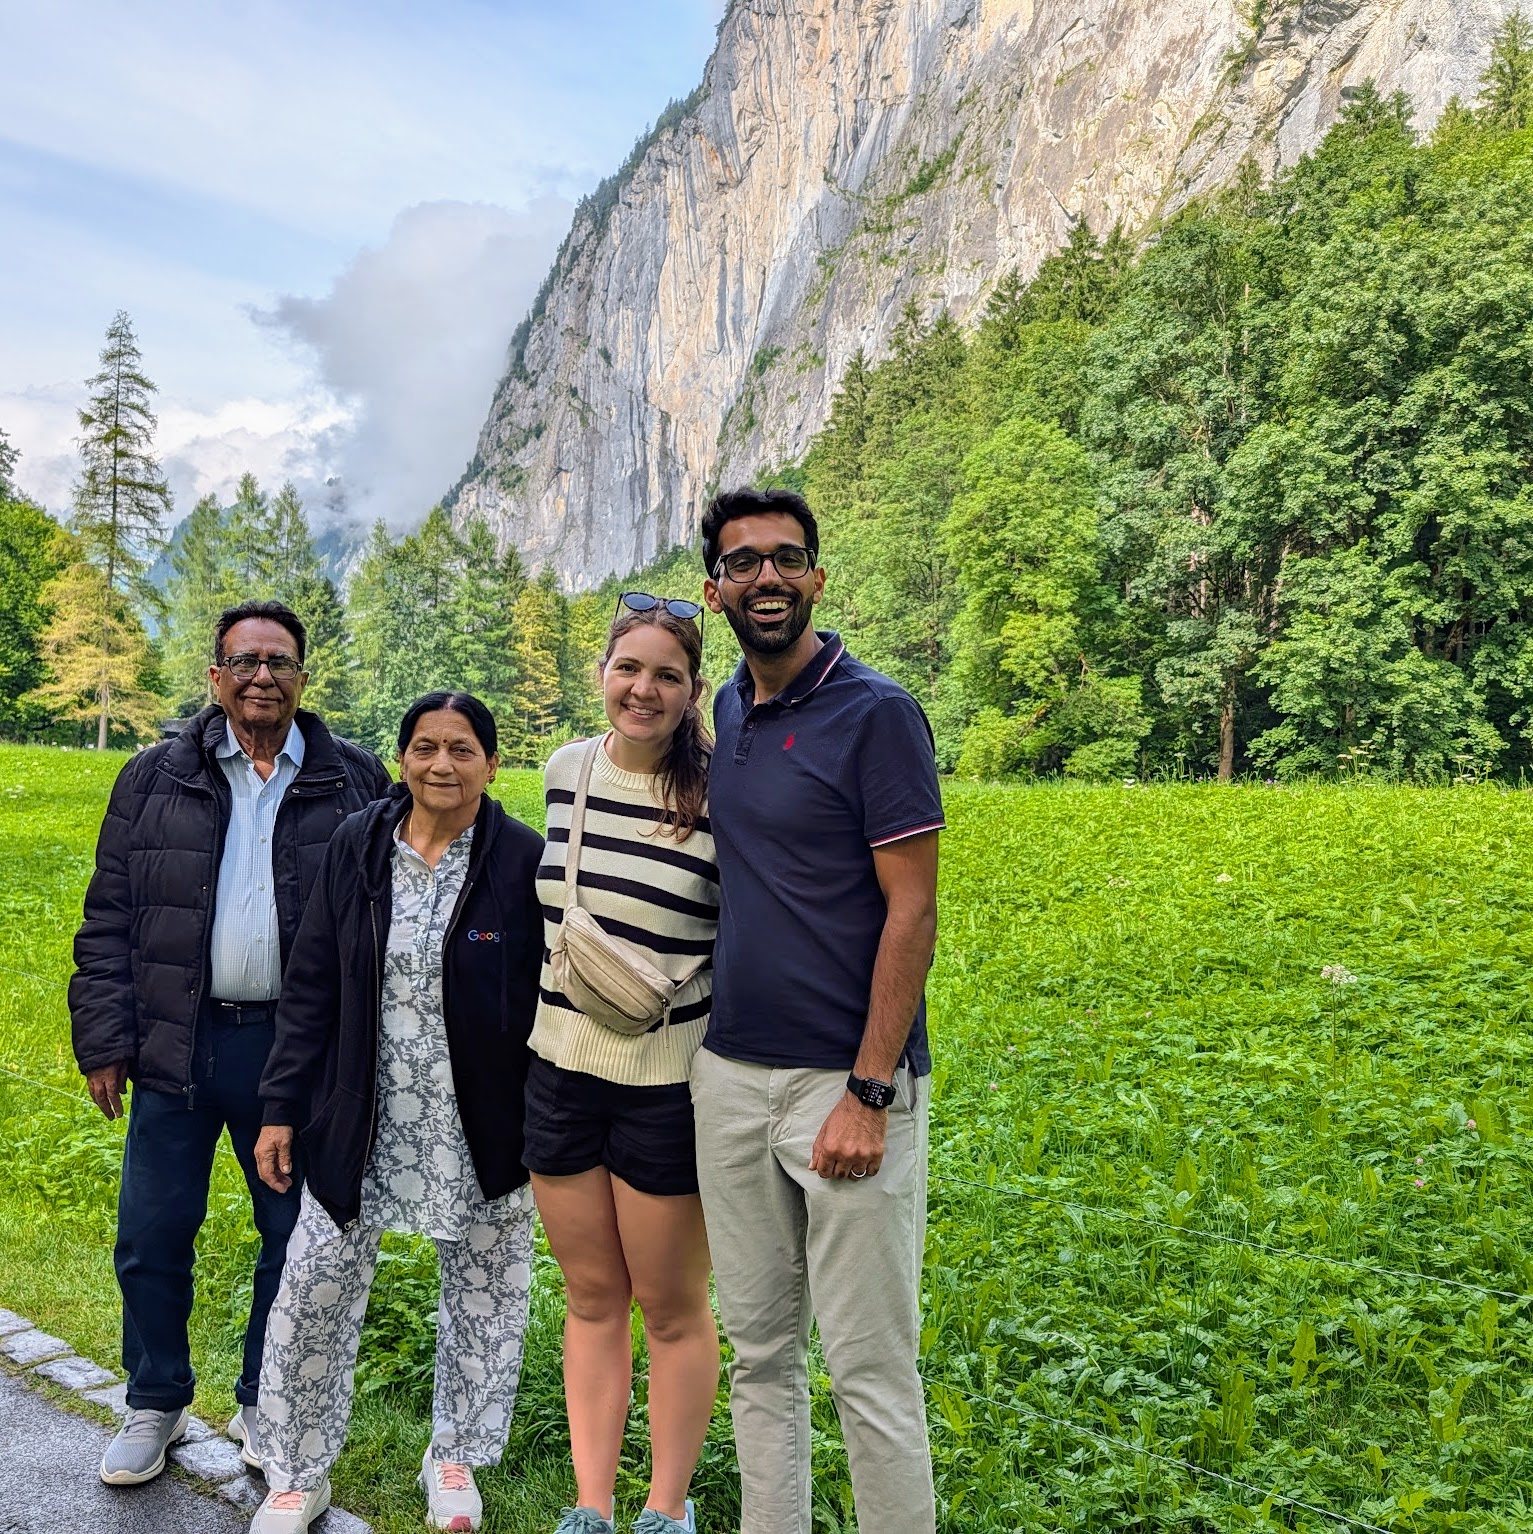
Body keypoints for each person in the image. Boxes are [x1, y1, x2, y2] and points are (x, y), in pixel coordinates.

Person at [69, 599, 391, 1489]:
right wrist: (104, 1037)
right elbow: (109, 918)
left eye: (279, 661)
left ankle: (265, 1395)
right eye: (244, 661)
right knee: (153, 1231)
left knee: (290, 1233)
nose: (262, 676)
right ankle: (155, 1398)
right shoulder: (152, 778)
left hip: (295, 1055)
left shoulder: (352, 779)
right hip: (177, 1041)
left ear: (302, 677)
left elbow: (382, 923)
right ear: (216, 677)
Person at [692, 487, 944, 1534]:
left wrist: (869, 1090)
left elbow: (914, 906)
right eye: (745, 562)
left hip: (846, 1085)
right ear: (716, 591)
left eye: (788, 558)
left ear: (818, 580)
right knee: (758, 1351)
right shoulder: (728, 709)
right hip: (732, 1076)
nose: (768, 577)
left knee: (869, 1367)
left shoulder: (876, 713)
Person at [248, 691, 545, 1534]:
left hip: (483, 1124)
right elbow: (309, 982)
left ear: (491, 763)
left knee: (487, 1295)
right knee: (311, 1289)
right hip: (358, 1115)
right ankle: (297, 1472)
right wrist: (280, 1107)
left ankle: (453, 1457)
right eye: (423, 747)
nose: (440, 766)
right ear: (402, 756)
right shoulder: (358, 845)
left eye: (460, 750)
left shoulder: (520, 859)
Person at [525, 593, 720, 1534]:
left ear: (692, 691)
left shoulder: (721, 795)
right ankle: (591, 1507)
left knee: (672, 1306)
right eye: (627, 669)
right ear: (602, 672)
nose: (642, 689)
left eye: (665, 676)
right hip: (558, 1068)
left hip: (668, 1084)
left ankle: (666, 1509)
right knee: (592, 1297)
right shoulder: (567, 771)